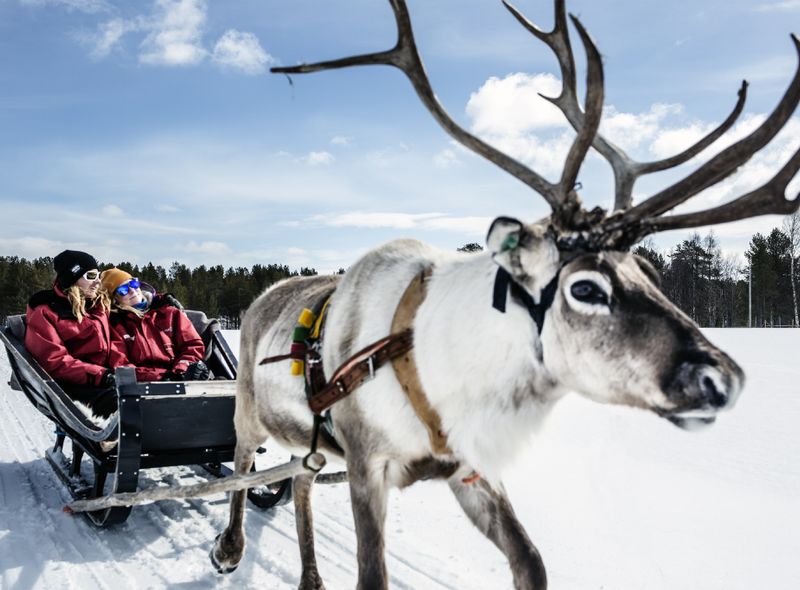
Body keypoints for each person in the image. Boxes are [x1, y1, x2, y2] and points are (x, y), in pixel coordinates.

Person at [25, 250, 121, 417]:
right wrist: (100, 375)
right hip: (73, 386)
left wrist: (158, 302)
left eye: (98, 275)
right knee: (125, 403)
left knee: (149, 397)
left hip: (106, 379)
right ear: (72, 279)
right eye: (91, 276)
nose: (98, 282)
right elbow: (54, 361)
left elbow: (132, 303)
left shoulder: (97, 304)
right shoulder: (46, 311)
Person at [100, 268, 209, 382]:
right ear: (114, 300)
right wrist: (162, 378)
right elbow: (121, 365)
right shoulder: (115, 326)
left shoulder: (169, 313)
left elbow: (192, 346)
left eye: (133, 283)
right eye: (123, 290)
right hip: (143, 385)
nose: (133, 290)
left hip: (180, 378)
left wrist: (181, 371)